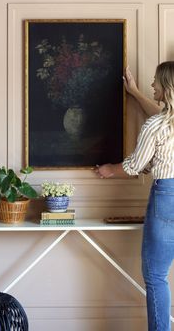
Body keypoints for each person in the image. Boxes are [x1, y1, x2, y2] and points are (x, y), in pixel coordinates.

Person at [96, 62, 174, 331]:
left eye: (155, 82)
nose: (152, 85)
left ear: (166, 88)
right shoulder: (164, 122)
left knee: (155, 275)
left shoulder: (156, 125)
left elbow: (134, 166)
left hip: (167, 197)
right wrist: (136, 92)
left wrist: (108, 170)